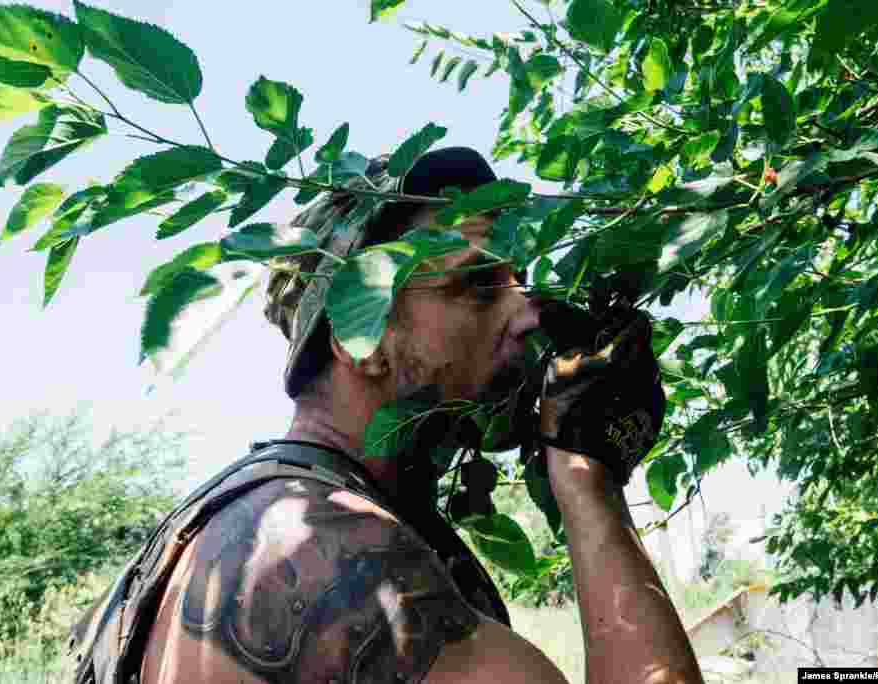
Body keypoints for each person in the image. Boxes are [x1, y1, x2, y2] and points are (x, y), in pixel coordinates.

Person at [68, 147, 703, 684]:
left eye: (519, 282)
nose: (530, 312)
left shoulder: (260, 510)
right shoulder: (322, 543)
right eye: (479, 288)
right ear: (362, 337)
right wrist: (587, 480)